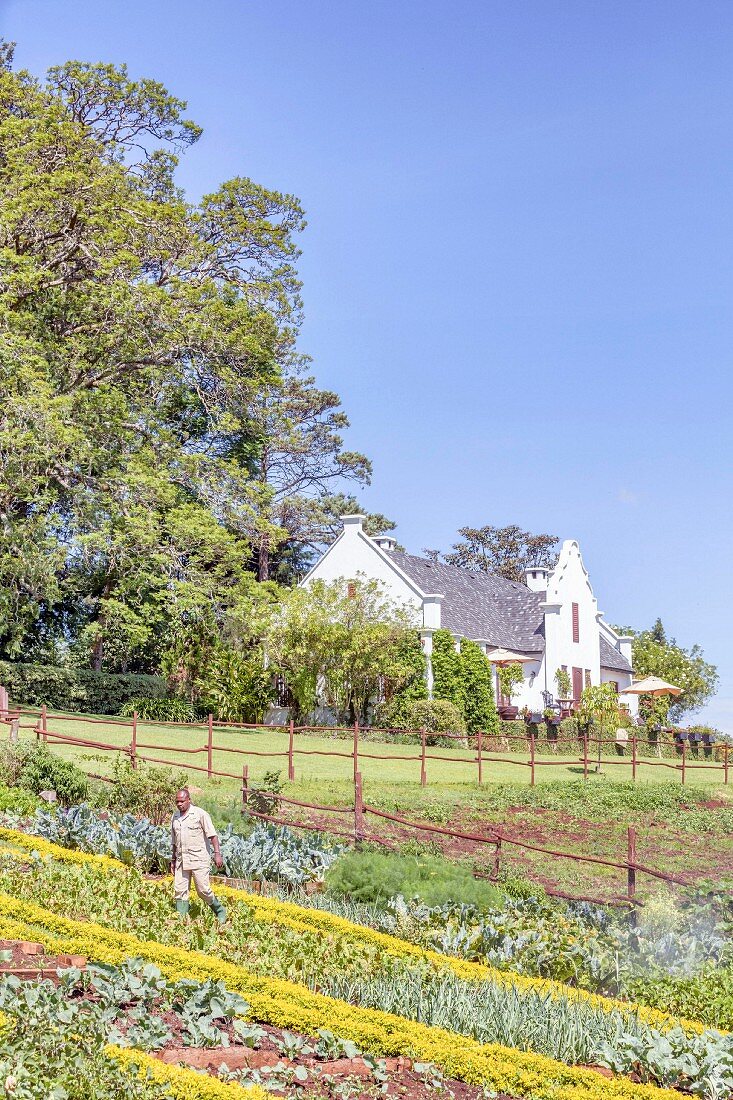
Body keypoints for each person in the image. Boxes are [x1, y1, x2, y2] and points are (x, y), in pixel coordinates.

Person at [170, 787, 227, 925]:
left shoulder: (200, 814)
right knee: (180, 890)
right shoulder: (175, 817)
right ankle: (182, 920)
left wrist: (217, 854)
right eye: (177, 801)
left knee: (203, 890)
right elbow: (174, 841)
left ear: (189, 800)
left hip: (198, 859)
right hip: (181, 860)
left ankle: (219, 910)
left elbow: (212, 835)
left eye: (182, 801)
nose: (179, 804)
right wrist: (172, 859)